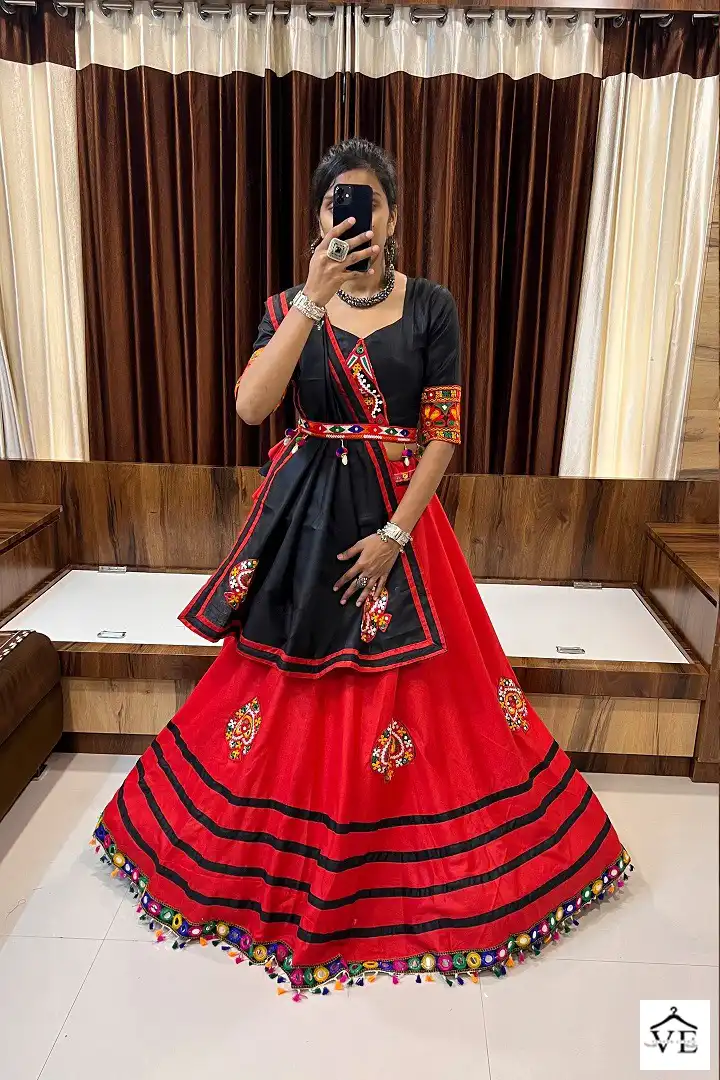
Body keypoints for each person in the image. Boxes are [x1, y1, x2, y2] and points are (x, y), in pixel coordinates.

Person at [93, 139, 630, 998]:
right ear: (317, 218)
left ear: (393, 215)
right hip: (306, 523)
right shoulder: (287, 307)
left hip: (401, 524)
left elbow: (443, 433)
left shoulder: (432, 306)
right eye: (336, 202)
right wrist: (312, 299)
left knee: (434, 693)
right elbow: (253, 407)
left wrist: (395, 535)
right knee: (281, 684)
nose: (352, 216)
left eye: (367, 201)